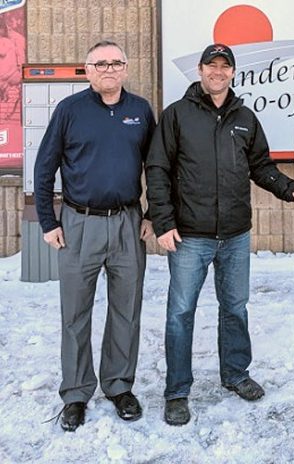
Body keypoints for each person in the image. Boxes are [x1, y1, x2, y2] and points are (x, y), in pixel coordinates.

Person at [146, 43, 294, 426]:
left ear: (233, 73)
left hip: (236, 234)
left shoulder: (245, 118)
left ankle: (236, 374)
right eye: (211, 65)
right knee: (181, 313)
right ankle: (177, 392)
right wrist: (163, 222)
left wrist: (289, 189)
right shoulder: (176, 116)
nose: (218, 72)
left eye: (225, 66)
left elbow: (262, 167)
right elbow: (157, 170)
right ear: (200, 70)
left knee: (235, 308)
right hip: (190, 236)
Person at [34, 40, 155, 431]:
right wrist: (48, 223)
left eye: (115, 62)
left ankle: (119, 386)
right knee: (75, 313)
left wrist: (154, 215)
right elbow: (44, 167)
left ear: (125, 68)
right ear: (87, 71)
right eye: (99, 63)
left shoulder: (139, 111)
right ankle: (76, 393)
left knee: (126, 309)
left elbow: (157, 167)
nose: (108, 69)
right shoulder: (70, 111)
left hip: (127, 224)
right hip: (78, 224)